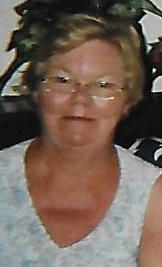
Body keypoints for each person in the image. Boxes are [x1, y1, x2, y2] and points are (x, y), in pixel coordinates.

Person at [1, 10, 162, 267]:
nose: (80, 99)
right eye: (62, 80)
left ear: (127, 101)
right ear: (37, 91)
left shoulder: (153, 199)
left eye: (104, 85)